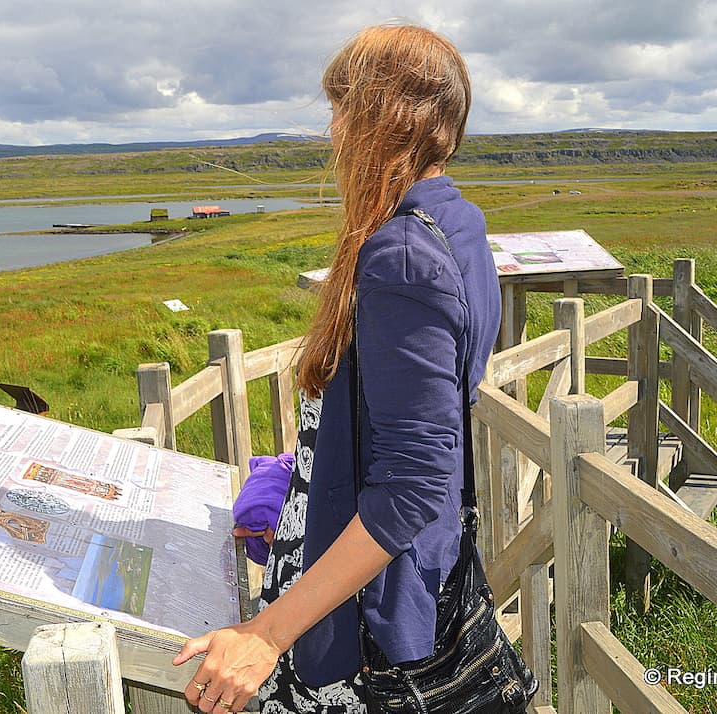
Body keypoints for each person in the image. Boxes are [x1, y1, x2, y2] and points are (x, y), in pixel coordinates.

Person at [173, 23, 502, 713]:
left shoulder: (400, 256)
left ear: (382, 116)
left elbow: (413, 482)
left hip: (362, 613)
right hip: (392, 569)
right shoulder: (458, 222)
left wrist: (265, 635)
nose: (332, 133)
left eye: (340, 108)